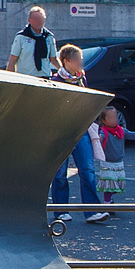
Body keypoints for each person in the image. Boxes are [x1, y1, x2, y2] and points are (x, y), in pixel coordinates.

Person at [50, 44, 110, 224]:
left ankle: (92, 211)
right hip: (62, 132)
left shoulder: (82, 78)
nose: (81, 62)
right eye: (77, 59)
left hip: (81, 129)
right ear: (66, 61)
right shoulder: (56, 80)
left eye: (81, 59)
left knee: (87, 170)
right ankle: (60, 210)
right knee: (60, 173)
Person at [95, 105, 135, 206]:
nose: (114, 120)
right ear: (104, 121)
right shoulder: (104, 132)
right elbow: (100, 139)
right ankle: (107, 202)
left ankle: (110, 199)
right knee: (108, 184)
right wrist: (99, 138)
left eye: (115, 117)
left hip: (118, 163)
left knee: (117, 184)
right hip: (108, 163)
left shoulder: (121, 131)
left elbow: (134, 135)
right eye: (110, 117)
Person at [6, 6, 57, 79]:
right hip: (26, 78)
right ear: (30, 20)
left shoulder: (49, 37)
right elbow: (12, 60)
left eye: (41, 18)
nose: (39, 21)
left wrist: (65, 73)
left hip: (45, 77)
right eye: (36, 19)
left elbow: (53, 60)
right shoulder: (21, 37)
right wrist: (10, 79)